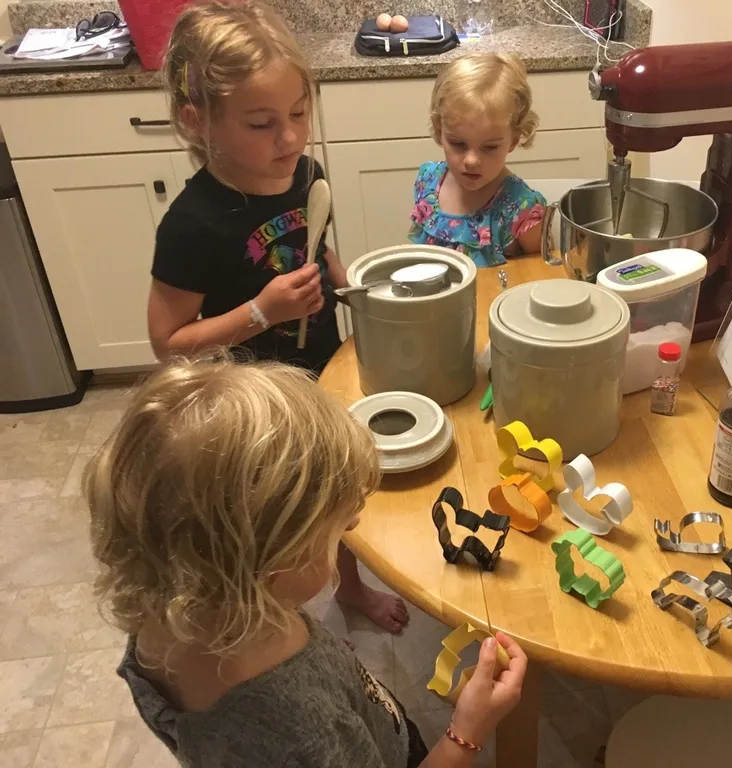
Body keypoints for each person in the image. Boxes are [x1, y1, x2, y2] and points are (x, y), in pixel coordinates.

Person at [84, 353, 528, 767]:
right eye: (332, 529)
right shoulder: (303, 730)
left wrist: (319, 667)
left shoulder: (173, 605)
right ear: (267, 564)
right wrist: (466, 732)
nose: (353, 525)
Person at [144, 1, 408, 632]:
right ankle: (270, 624)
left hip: (321, 368)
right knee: (273, 518)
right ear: (197, 120)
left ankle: (347, 587)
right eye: (262, 124)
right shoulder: (192, 223)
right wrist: (263, 311)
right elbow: (168, 342)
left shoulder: (302, 173)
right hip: (252, 402)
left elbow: (311, 246)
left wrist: (352, 286)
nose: (289, 138)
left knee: (335, 493)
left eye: (299, 114)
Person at [409, 52, 548, 267]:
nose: (472, 160)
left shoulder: (520, 206)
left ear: (513, 139)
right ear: (439, 131)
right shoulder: (428, 180)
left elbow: (539, 270)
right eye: (458, 144)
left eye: (489, 147)